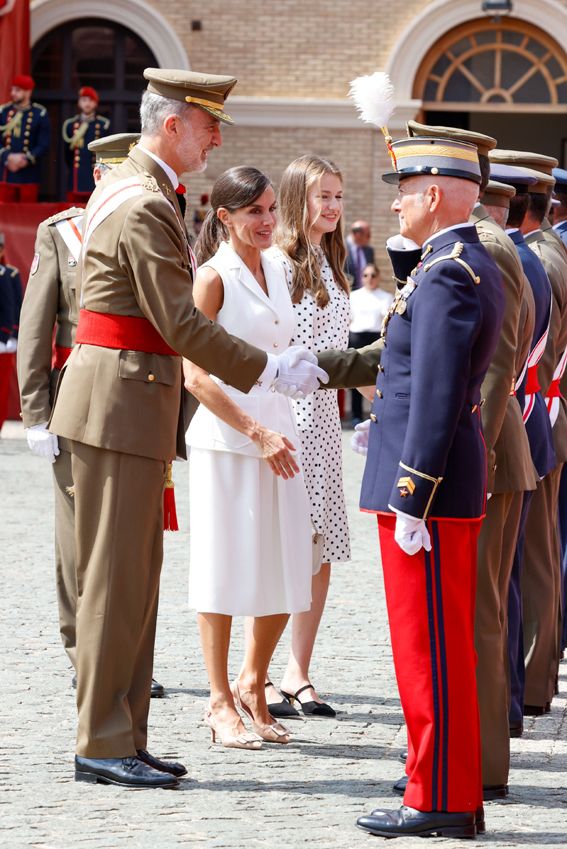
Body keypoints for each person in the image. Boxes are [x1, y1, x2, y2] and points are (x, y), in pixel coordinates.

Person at [48, 68, 326, 790]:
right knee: (115, 580)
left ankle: (123, 733)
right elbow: (180, 323)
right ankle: (104, 738)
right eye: (209, 125)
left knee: (132, 579)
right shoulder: (143, 204)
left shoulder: (137, 190)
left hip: (126, 401)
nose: (217, 138)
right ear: (173, 124)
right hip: (120, 403)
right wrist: (269, 371)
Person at [319, 136, 505, 838]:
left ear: (433, 196)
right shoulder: (447, 264)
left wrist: (411, 492)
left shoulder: (450, 273)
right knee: (434, 647)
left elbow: (433, 391)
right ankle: (443, 791)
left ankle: (438, 800)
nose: (393, 198)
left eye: (405, 187)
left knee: (429, 651)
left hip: (426, 489)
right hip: (433, 485)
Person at [406, 120, 537, 802]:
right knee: (480, 607)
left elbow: (490, 368)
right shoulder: (490, 245)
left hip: (482, 442)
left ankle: (477, 762)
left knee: (474, 612)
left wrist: (460, 455)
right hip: (494, 441)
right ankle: (474, 757)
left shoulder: (479, 248)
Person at [16, 132, 164, 698]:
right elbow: (36, 327)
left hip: (138, 401)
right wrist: (35, 413)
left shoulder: (151, 222)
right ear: (101, 177)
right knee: (80, 539)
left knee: (131, 542)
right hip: (75, 396)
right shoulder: (64, 233)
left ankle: (123, 657)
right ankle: (83, 650)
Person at [184, 166, 313, 749]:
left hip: (281, 431)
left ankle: (254, 683)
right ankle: (217, 701)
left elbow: (286, 351)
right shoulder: (213, 278)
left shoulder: (281, 269)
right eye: (254, 211)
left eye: (270, 209)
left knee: (287, 561)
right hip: (228, 438)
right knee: (224, 564)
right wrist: (254, 431)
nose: (266, 221)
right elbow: (193, 376)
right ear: (225, 217)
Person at [264, 154, 352, 720]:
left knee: (317, 549)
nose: (334, 207)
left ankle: (299, 670)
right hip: (284, 413)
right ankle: (262, 670)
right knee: (280, 545)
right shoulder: (274, 261)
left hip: (323, 417)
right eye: (324, 196)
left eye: (340, 197)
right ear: (299, 198)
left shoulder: (332, 260)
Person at [348, 262, 392, 426]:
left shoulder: (385, 297)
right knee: (356, 379)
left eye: (373, 275)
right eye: (366, 275)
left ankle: (378, 412)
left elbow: (386, 321)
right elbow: (348, 319)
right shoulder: (354, 296)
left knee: (378, 377)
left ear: (378, 277)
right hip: (357, 337)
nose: (370, 278)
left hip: (375, 337)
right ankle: (356, 415)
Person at [0, 75, 50, 202]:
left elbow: (44, 144)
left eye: (17, 90)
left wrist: (26, 159)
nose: (13, 94)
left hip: (29, 174)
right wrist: (8, 157)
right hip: (6, 172)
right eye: (12, 90)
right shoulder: (3, 111)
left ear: (28, 92)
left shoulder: (40, 113)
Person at [62, 86, 111, 202]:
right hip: (76, 174)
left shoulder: (103, 124)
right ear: (79, 103)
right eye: (84, 100)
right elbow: (67, 154)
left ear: (95, 103)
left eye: (90, 100)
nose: (87, 103)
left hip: (93, 172)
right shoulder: (70, 125)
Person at [0, 238, 21, 430]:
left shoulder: (9, 273)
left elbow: (12, 307)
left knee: (1, 385)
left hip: (2, 340)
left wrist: (9, 334)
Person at [345, 219, 375, 289]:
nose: (370, 237)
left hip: (364, 293)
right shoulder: (339, 248)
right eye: (368, 235)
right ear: (358, 235)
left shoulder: (369, 250)